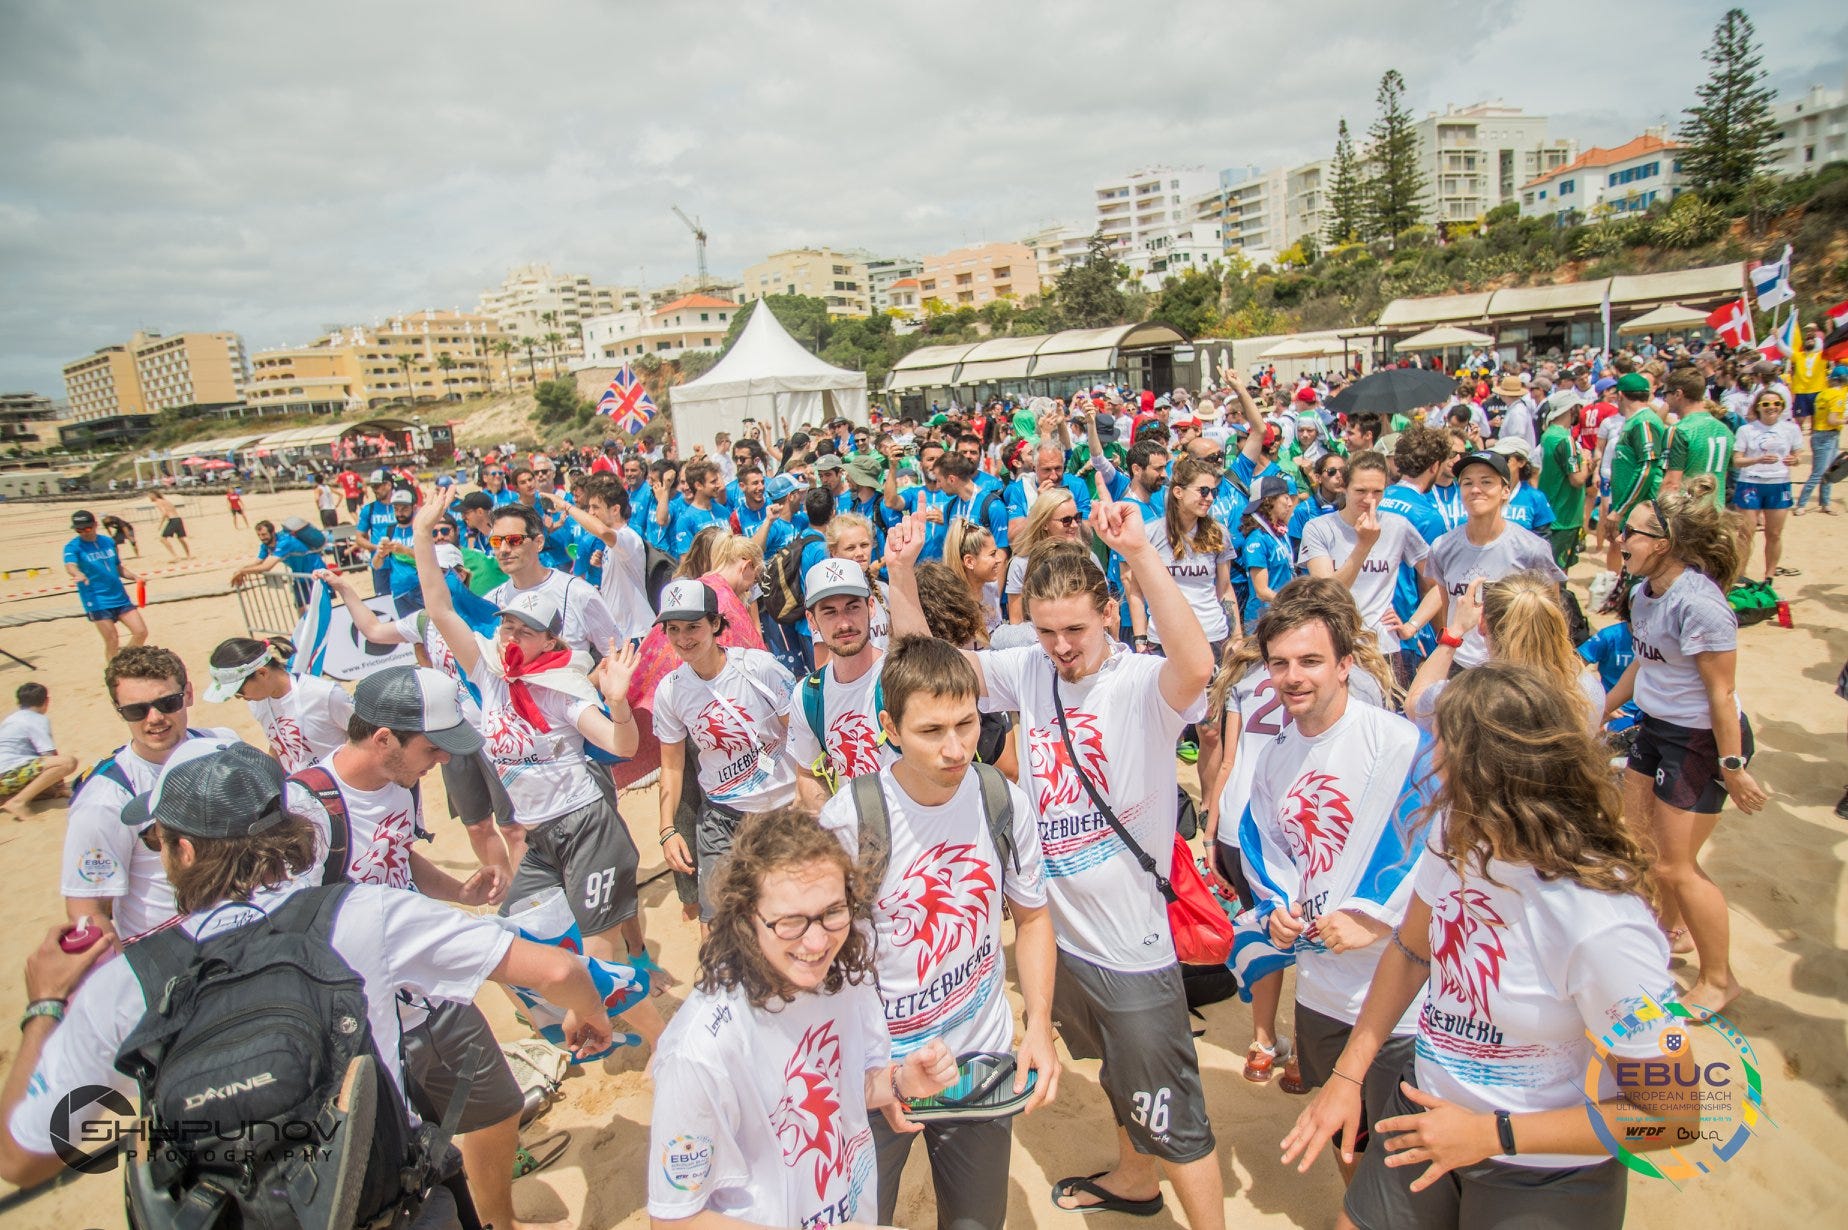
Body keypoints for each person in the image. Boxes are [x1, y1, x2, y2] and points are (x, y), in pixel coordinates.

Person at [0, 743, 615, 1223]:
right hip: (378, 1203)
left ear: (182, 852)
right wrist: (590, 1014)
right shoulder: (359, 914)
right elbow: (557, 970)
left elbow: (26, 1158)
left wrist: (46, 1005)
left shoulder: (127, 982)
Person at [885, 502, 1228, 1230]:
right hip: (1063, 945)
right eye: (1045, 630)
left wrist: (1140, 553)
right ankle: (1136, 1178)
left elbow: (1198, 665)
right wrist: (902, 575)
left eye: (1075, 628)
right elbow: (933, 675)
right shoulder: (1030, 670)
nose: (1061, 646)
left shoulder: (1141, 684)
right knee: (1117, 1077)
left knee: (1175, 1113)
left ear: (1108, 612)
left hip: (1134, 952)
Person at [1280, 663, 1697, 1229]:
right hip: (1423, 1117)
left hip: (1543, 1171)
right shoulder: (1457, 829)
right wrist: (1349, 1078)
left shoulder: (1603, 925)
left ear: (1486, 767)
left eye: (1442, 746)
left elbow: (1674, 1116)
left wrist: (1488, 1133)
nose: (1429, 760)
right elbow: (1412, 951)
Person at [815, 636, 1058, 1230]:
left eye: (967, 724)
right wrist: (876, 1076)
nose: (955, 748)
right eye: (931, 731)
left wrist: (1040, 1028)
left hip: (980, 1057)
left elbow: (1032, 918)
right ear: (889, 728)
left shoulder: (1003, 800)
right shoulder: (850, 822)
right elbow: (815, 963)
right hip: (879, 1074)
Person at [645, 805, 958, 1229]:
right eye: (791, 922)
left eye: (832, 911)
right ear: (745, 917)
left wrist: (900, 1082)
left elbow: (830, 1093)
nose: (816, 942)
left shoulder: (843, 977)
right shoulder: (700, 1053)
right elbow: (674, 1221)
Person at [1237, 579, 1433, 1187]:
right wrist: (1277, 907)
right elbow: (1265, 845)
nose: (1294, 677)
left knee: (1409, 1157)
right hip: (1321, 992)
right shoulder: (1273, 755)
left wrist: (1375, 914)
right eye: (1280, 663)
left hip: (1404, 999)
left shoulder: (1399, 744)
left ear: (1346, 664)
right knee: (1346, 1138)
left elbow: (1435, 841)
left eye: (1311, 661)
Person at [411, 499, 653, 972]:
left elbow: (622, 745)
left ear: (549, 641)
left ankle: (634, 970)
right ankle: (599, 1001)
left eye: (525, 631)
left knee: (597, 944)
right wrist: (423, 535)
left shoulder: (561, 687)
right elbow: (439, 609)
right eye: (507, 627)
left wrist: (616, 698)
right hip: (538, 830)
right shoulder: (488, 673)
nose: (510, 636)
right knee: (517, 933)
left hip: (584, 816)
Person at [1604, 478, 1765, 1021]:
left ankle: (1720, 980)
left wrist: (1734, 767)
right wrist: (1603, 708)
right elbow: (1644, 661)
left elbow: (1720, 694)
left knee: (1677, 865)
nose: (1620, 536)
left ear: (1665, 543)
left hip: (1701, 740)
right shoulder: (1642, 592)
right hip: (1656, 726)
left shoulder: (1701, 605)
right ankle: (1666, 933)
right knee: (1638, 844)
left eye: (1632, 531)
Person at [59, 646, 240, 940]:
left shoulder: (223, 746)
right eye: (136, 710)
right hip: (172, 950)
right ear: (119, 711)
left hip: (245, 926)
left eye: (168, 702)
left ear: (189, 694)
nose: (154, 718)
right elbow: (88, 910)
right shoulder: (104, 801)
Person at [653, 579, 800, 925]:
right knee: (718, 921)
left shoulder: (759, 668)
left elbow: (801, 733)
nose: (683, 639)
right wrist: (666, 831)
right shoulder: (670, 692)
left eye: (693, 627)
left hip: (784, 811)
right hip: (723, 819)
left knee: (787, 916)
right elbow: (672, 768)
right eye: (673, 629)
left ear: (715, 624)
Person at [1406, 573, 1605, 734]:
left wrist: (1456, 629)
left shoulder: (1472, 695)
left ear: (1483, 624)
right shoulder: (1587, 691)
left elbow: (1415, 705)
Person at [1426, 451, 1565, 673]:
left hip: (1513, 668)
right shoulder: (1442, 547)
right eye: (1467, 483)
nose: (1475, 489)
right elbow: (1447, 609)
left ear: (1505, 491)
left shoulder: (1532, 549)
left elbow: (1550, 617)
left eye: (1486, 482)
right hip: (1459, 665)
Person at [1300, 450, 1436, 672]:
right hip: (1336, 645)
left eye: (1377, 491)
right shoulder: (1319, 528)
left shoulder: (1397, 526)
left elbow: (1437, 582)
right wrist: (1364, 545)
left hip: (1384, 649)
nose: (1369, 500)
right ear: (1344, 486)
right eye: (1360, 491)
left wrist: (1412, 625)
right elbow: (1328, 595)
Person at [789, 560, 894, 812]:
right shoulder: (808, 695)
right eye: (830, 612)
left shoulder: (901, 675)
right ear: (811, 621)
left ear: (870, 608)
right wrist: (832, 826)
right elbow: (808, 772)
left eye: (852, 607)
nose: (844, 623)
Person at [1127, 454, 1239, 661]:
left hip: (1212, 634)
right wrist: (1140, 639)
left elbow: (1224, 588)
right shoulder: (1150, 533)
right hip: (1164, 639)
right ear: (1178, 492)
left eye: (1213, 492)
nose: (1210, 498)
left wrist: (1237, 636)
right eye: (1203, 491)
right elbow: (1136, 590)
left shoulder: (1219, 533)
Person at [481, 502, 618, 657]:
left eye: (514, 540)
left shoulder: (579, 593)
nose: (504, 550)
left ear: (538, 542)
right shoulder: (491, 602)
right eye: (496, 542)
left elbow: (616, 654)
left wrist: (588, 680)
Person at [203, 635, 353, 773]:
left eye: (239, 690)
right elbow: (279, 745)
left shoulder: (325, 695)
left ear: (262, 673)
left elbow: (368, 738)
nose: (238, 697)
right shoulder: (257, 702)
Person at [1732, 387, 1804, 580]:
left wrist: (1794, 460)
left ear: (1782, 407)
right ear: (1758, 407)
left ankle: (1769, 576)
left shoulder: (1791, 429)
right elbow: (1737, 460)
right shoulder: (1746, 430)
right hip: (1751, 482)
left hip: (1779, 483)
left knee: (1774, 533)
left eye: (1776, 404)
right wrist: (1757, 460)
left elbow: (1798, 455)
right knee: (1746, 534)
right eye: (1766, 404)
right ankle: (1740, 575)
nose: (1771, 407)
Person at [1603, 372, 1667, 575]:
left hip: (1641, 510)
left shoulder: (1643, 422)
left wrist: (1620, 509)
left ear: (1620, 395)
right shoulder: (1635, 422)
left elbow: (1646, 469)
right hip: (1632, 507)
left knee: (1643, 568)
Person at [63, 509, 147, 657]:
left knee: (141, 632)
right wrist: (78, 574)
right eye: (79, 530)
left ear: (95, 525)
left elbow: (117, 567)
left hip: (119, 596)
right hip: (97, 599)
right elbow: (70, 565)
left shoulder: (108, 542)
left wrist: (135, 577)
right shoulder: (73, 547)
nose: (84, 532)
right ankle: (113, 672)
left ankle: (122, 660)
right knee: (112, 640)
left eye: (87, 528)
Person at [1002, 488, 1085, 623]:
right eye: (1066, 520)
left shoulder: (1087, 558)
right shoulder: (1021, 564)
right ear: (1045, 523)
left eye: (1077, 517)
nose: (1075, 525)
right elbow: (1017, 621)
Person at [0, 683, 77, 821]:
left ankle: (10, 797)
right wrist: (59, 785)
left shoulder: (11, 719)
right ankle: (18, 802)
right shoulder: (37, 719)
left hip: (7, 775)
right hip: (9, 774)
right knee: (67, 762)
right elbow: (49, 754)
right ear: (46, 701)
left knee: (46, 787)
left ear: (19, 702)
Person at [1659, 369, 1732, 508]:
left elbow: (1672, 484)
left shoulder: (1680, 430)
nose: (1665, 400)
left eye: (1665, 394)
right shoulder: (1724, 430)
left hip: (1688, 514)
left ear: (1678, 394)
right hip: (1716, 509)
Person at [825, 513, 893, 651]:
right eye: (850, 548)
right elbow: (823, 662)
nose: (860, 552)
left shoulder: (883, 589)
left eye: (864, 545)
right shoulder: (827, 599)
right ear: (834, 552)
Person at [1240, 475, 1299, 628]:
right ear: (1269, 500)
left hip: (1282, 613)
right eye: (1286, 498)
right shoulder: (1257, 540)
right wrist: (1293, 603)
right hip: (1262, 620)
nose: (1290, 503)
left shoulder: (1282, 533)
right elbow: (1262, 591)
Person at [228, 517, 323, 610]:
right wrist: (239, 571)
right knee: (299, 605)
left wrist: (242, 571)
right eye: (259, 535)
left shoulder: (285, 542)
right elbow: (257, 563)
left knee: (320, 605)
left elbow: (266, 567)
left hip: (315, 572)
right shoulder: (266, 545)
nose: (262, 538)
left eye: (264, 534)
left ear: (272, 532)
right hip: (300, 576)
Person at [1794, 362, 1846, 514]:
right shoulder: (1839, 396)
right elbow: (1833, 420)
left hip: (1819, 434)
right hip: (1829, 435)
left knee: (1824, 471)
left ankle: (1824, 503)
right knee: (1821, 472)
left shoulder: (1823, 393)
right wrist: (1845, 420)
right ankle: (1803, 505)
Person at [944, 518, 1006, 634]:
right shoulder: (951, 608)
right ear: (969, 562)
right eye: (992, 554)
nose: (999, 559)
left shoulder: (992, 589)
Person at [353, 469, 401, 599]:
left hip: (402, 562)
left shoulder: (401, 506)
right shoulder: (369, 509)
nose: (374, 489)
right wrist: (377, 548)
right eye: (372, 486)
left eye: (377, 486)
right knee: (384, 601)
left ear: (388, 485)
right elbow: (359, 537)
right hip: (380, 564)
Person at [148, 489, 190, 559]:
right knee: (181, 538)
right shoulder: (166, 501)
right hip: (178, 519)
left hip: (172, 519)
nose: (149, 498)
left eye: (150, 496)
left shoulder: (158, 502)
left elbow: (165, 513)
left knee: (163, 539)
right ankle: (188, 555)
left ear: (154, 495)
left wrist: (160, 524)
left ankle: (175, 556)